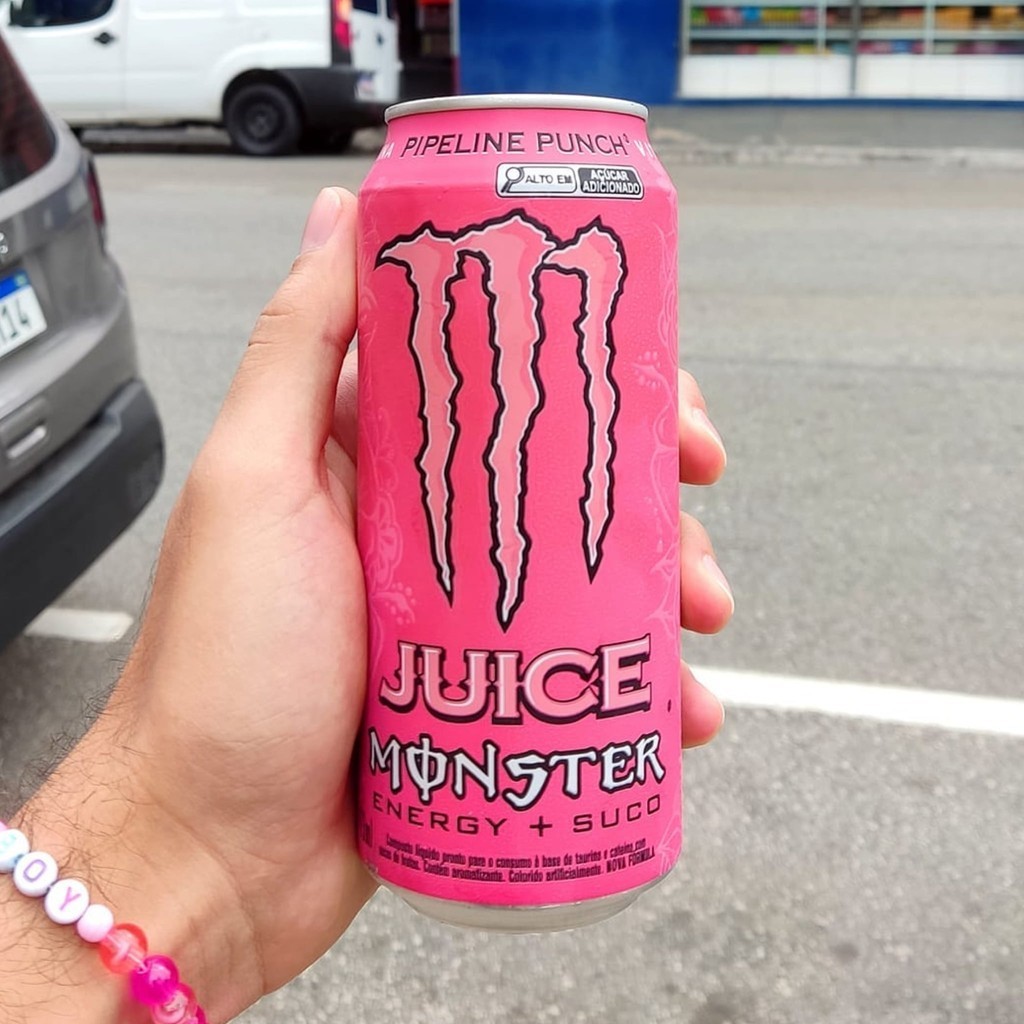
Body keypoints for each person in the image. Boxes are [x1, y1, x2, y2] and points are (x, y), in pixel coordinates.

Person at [0, 188, 733, 1023]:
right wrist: (185, 840)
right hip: (413, 790)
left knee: (592, 457)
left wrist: (174, 858)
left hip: (550, 788)